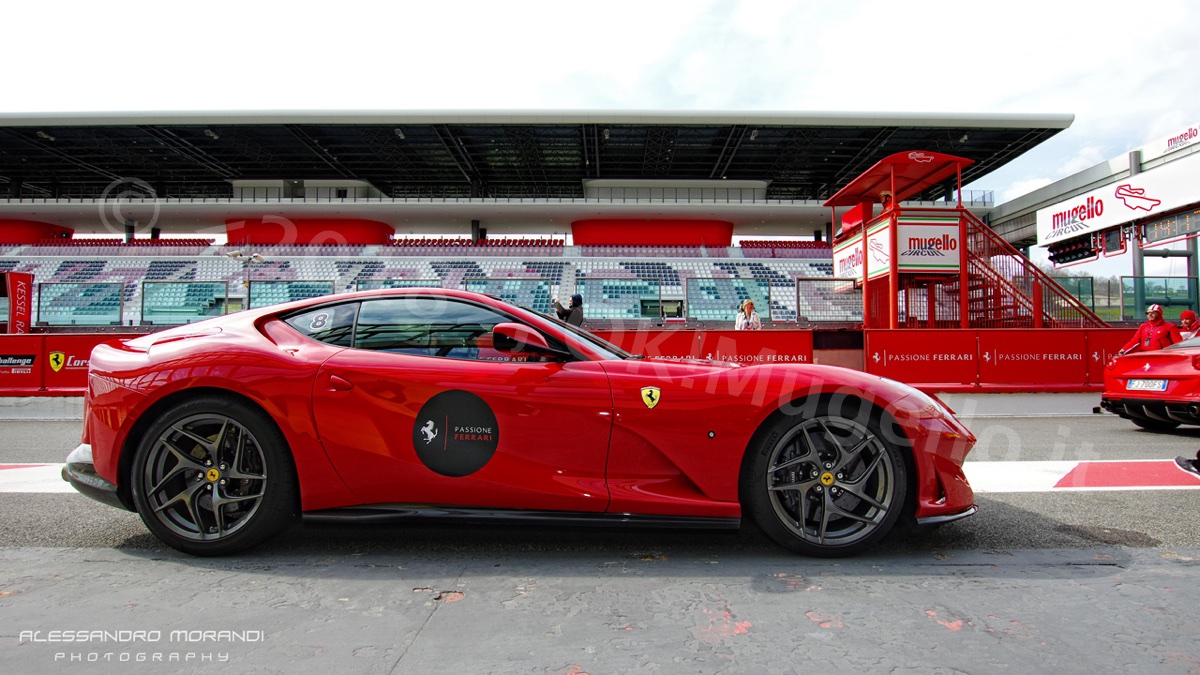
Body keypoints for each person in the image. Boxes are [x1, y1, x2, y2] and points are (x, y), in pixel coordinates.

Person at [1118, 304, 1182, 355]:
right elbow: (1135, 340)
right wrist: (1124, 349)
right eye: (1148, 313)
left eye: (1153, 313)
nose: (1150, 315)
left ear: (1159, 314)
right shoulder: (1143, 326)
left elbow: (1178, 343)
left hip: (1162, 356)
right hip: (1145, 355)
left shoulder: (1170, 326)